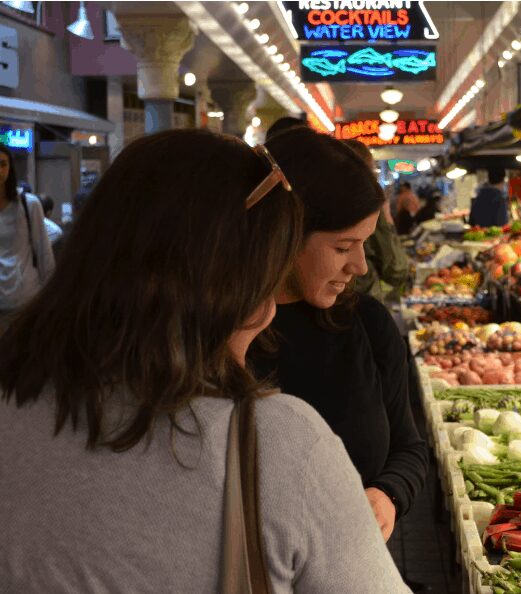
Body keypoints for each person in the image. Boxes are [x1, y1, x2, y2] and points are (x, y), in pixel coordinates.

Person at [0, 129, 410, 593]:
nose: (270, 304)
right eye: (266, 268)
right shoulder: (279, 444)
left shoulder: (13, 407)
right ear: (225, 277)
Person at [248, 127, 428, 544]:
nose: (361, 267)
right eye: (343, 247)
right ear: (286, 234)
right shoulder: (226, 339)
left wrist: (389, 494)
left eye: (365, 244)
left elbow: (410, 447)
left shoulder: (369, 324)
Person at [343, 139, 409, 301]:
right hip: (360, 301)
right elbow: (396, 270)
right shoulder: (370, 205)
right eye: (341, 248)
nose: (360, 266)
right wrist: (387, 220)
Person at [0, 145, 55, 326]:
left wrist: (51, 298)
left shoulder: (29, 204)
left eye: (3, 164)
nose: (0, 170)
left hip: (26, 297)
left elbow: (44, 252)